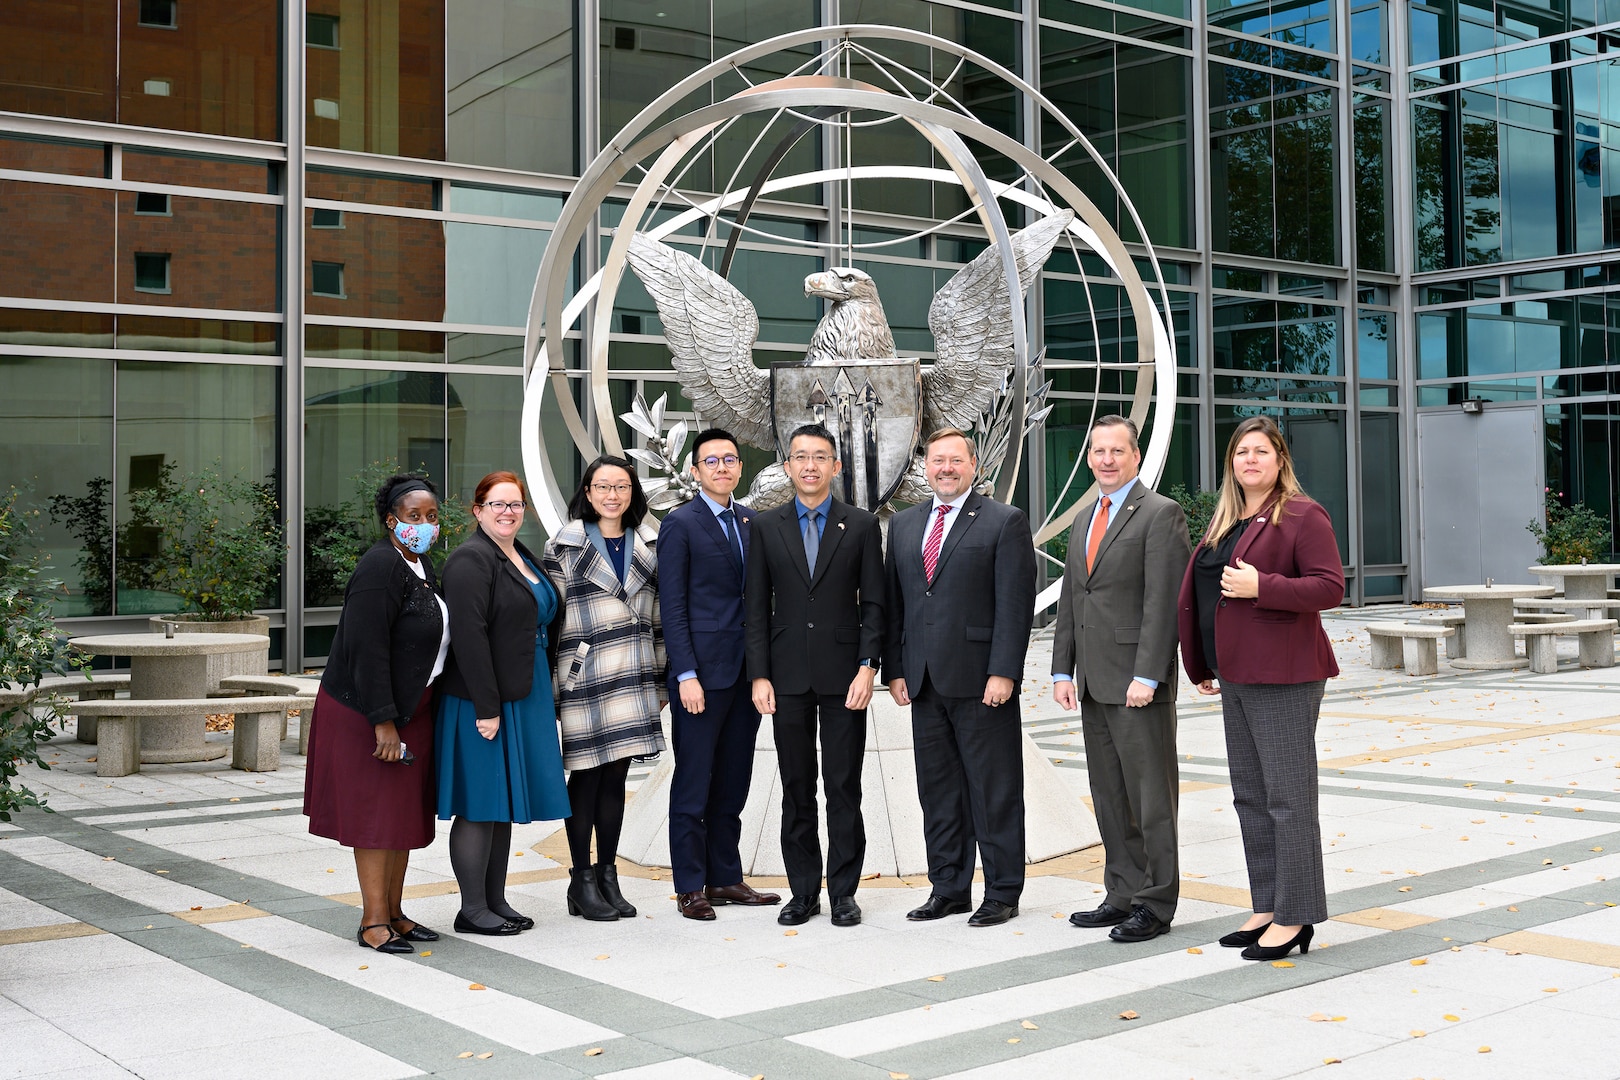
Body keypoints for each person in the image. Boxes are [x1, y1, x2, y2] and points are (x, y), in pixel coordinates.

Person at [1176, 416, 1344, 961]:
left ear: (1279, 461)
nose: (1250, 460)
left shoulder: (1301, 513)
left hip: (1286, 676)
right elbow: (1203, 596)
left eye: (1260, 452)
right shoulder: (1228, 518)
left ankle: (1296, 916)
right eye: (1241, 452)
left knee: (1289, 799)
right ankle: (1267, 903)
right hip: (1237, 674)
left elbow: (1329, 587)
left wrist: (1261, 586)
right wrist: (1202, 661)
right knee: (1251, 795)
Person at [885, 428, 1036, 928]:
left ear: (975, 466)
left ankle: (1001, 891)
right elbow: (896, 605)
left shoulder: (1004, 521)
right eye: (937, 461)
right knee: (939, 791)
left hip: (981, 682)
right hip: (923, 681)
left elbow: (1014, 607)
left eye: (956, 460)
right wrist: (896, 669)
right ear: (925, 467)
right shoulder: (904, 525)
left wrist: (1003, 672)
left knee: (993, 789)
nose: (945, 469)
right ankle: (948, 887)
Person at [1052, 415, 1191, 943]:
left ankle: (1156, 903)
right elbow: (1072, 598)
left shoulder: (1160, 514)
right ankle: (1122, 891)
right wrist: (1063, 668)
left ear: (1135, 456)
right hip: (1091, 683)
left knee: (1151, 798)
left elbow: (1163, 604)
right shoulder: (1086, 516)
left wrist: (1149, 675)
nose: (1106, 460)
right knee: (1110, 795)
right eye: (1097, 451)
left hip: (1137, 685)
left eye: (1117, 451)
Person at [746, 423, 884, 928]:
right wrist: (759, 676)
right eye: (800, 456)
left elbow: (874, 604)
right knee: (796, 786)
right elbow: (756, 608)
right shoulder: (765, 526)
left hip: (846, 676)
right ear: (787, 467)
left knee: (844, 787)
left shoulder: (862, 525)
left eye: (820, 456)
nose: (810, 465)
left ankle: (844, 892)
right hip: (785, 679)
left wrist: (869, 667)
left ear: (835, 466)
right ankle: (803, 892)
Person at [305, 474, 450, 954]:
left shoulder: (421, 563)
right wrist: (382, 721)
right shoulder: (379, 565)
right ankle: (372, 922)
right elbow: (367, 649)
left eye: (431, 517)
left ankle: (395, 912)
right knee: (375, 817)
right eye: (414, 517)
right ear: (392, 521)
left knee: (401, 815)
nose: (425, 524)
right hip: (367, 713)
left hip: (414, 709)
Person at [436, 471, 570, 935]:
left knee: (503, 800)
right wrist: (486, 707)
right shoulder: (470, 560)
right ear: (478, 510)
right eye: (498, 504)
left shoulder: (519, 554)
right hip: (484, 696)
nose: (508, 512)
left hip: (524, 688)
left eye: (516, 504)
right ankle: (471, 910)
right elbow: (469, 639)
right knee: (479, 801)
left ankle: (495, 901)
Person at [658, 428, 781, 920]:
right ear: (695, 470)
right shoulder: (680, 524)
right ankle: (690, 884)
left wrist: (764, 672)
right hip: (700, 678)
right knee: (693, 782)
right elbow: (674, 605)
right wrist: (685, 672)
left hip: (746, 675)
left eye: (730, 459)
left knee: (733, 781)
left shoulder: (754, 521)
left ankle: (726, 877)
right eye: (712, 461)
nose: (723, 468)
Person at [543, 456, 666, 922]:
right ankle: (580, 879)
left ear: (632, 493)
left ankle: (608, 873)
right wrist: (555, 684)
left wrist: (659, 679)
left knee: (617, 778)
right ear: (588, 492)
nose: (612, 495)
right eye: (602, 487)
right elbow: (550, 621)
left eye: (621, 486)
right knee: (586, 778)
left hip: (633, 674)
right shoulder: (566, 545)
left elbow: (657, 618)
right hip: (586, 674)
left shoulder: (649, 545)